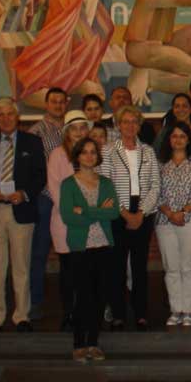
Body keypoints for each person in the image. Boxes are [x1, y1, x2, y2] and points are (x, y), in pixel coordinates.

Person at [0, 97, 46, 333]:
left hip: (21, 211)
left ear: (17, 117)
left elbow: (40, 176)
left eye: (9, 114)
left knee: (21, 267)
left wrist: (23, 194)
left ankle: (22, 316)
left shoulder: (32, 142)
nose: (5, 119)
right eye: (1, 115)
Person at [100, 105, 161, 331]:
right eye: (125, 122)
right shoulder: (107, 151)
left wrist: (141, 213)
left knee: (139, 266)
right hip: (118, 213)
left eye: (134, 121)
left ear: (139, 125)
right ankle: (118, 314)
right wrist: (125, 213)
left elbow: (155, 185)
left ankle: (141, 313)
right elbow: (106, 185)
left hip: (143, 212)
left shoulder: (148, 151)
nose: (129, 126)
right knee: (116, 266)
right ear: (118, 125)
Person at [58, 137, 118, 362]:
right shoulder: (68, 184)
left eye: (93, 152)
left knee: (100, 297)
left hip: (104, 246)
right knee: (82, 298)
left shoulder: (107, 183)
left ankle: (93, 343)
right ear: (77, 156)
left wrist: (84, 210)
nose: (89, 156)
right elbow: (68, 216)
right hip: (80, 248)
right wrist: (98, 210)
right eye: (84, 152)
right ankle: (78, 344)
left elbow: (113, 213)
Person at [155, 121, 191, 327]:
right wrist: (170, 213)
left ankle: (188, 311)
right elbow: (155, 191)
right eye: (174, 136)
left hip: (190, 220)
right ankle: (175, 310)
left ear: (189, 140)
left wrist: (183, 212)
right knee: (171, 267)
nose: (178, 140)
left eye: (182, 136)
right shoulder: (160, 164)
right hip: (164, 221)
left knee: (189, 266)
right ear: (169, 139)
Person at [45, 111, 91, 330]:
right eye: (74, 129)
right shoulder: (57, 155)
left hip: (91, 221)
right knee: (68, 270)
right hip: (65, 220)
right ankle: (69, 313)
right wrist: (72, 210)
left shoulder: (93, 153)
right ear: (66, 132)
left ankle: (86, 311)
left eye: (83, 128)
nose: (79, 132)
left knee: (87, 270)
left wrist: (89, 211)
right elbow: (54, 187)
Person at [28, 86, 69, 319]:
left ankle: (71, 303)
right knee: (39, 252)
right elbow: (33, 169)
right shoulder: (36, 132)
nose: (58, 105)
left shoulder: (72, 129)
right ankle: (34, 302)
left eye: (62, 101)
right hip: (46, 200)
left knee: (70, 253)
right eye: (54, 101)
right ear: (46, 104)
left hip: (70, 199)